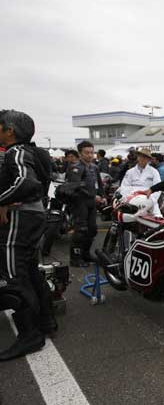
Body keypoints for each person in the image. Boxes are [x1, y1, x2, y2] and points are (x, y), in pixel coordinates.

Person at [0, 110, 50, 360]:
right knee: (29, 270)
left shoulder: (16, 151)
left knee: (14, 277)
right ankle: (46, 322)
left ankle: (30, 335)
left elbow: (26, 183)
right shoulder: (29, 151)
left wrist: (1, 200)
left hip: (22, 218)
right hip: (32, 215)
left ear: (9, 131)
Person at [66, 141, 105, 267]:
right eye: (86, 153)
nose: (90, 155)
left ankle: (86, 254)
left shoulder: (94, 167)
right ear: (80, 154)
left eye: (92, 152)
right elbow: (75, 187)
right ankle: (75, 258)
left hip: (91, 204)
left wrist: (102, 196)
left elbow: (99, 184)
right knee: (80, 230)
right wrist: (93, 196)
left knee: (92, 230)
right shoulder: (75, 168)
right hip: (80, 203)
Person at [120, 147, 161, 216]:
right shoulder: (130, 172)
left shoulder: (154, 172)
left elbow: (158, 187)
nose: (142, 158)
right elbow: (124, 186)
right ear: (137, 157)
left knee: (157, 217)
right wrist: (127, 198)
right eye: (140, 156)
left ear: (148, 159)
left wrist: (151, 200)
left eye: (145, 157)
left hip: (149, 199)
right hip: (132, 200)